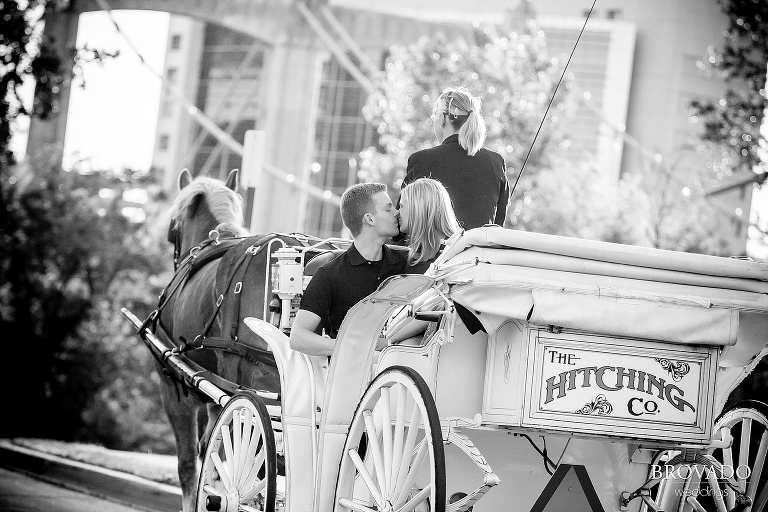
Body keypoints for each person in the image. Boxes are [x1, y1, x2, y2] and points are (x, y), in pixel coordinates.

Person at [289, 182, 406, 357]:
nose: (397, 212)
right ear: (370, 219)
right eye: (388, 209)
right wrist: (356, 346)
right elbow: (298, 337)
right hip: (349, 373)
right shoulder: (329, 274)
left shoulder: (404, 265)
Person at [402, 86, 510, 230]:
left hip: (436, 251)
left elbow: (404, 219)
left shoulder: (421, 160)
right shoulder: (496, 162)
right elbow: (498, 225)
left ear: (442, 119)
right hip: (479, 251)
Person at [398, 178, 460, 274]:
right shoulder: (411, 255)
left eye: (401, 206)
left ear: (418, 208)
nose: (398, 213)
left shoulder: (456, 254)